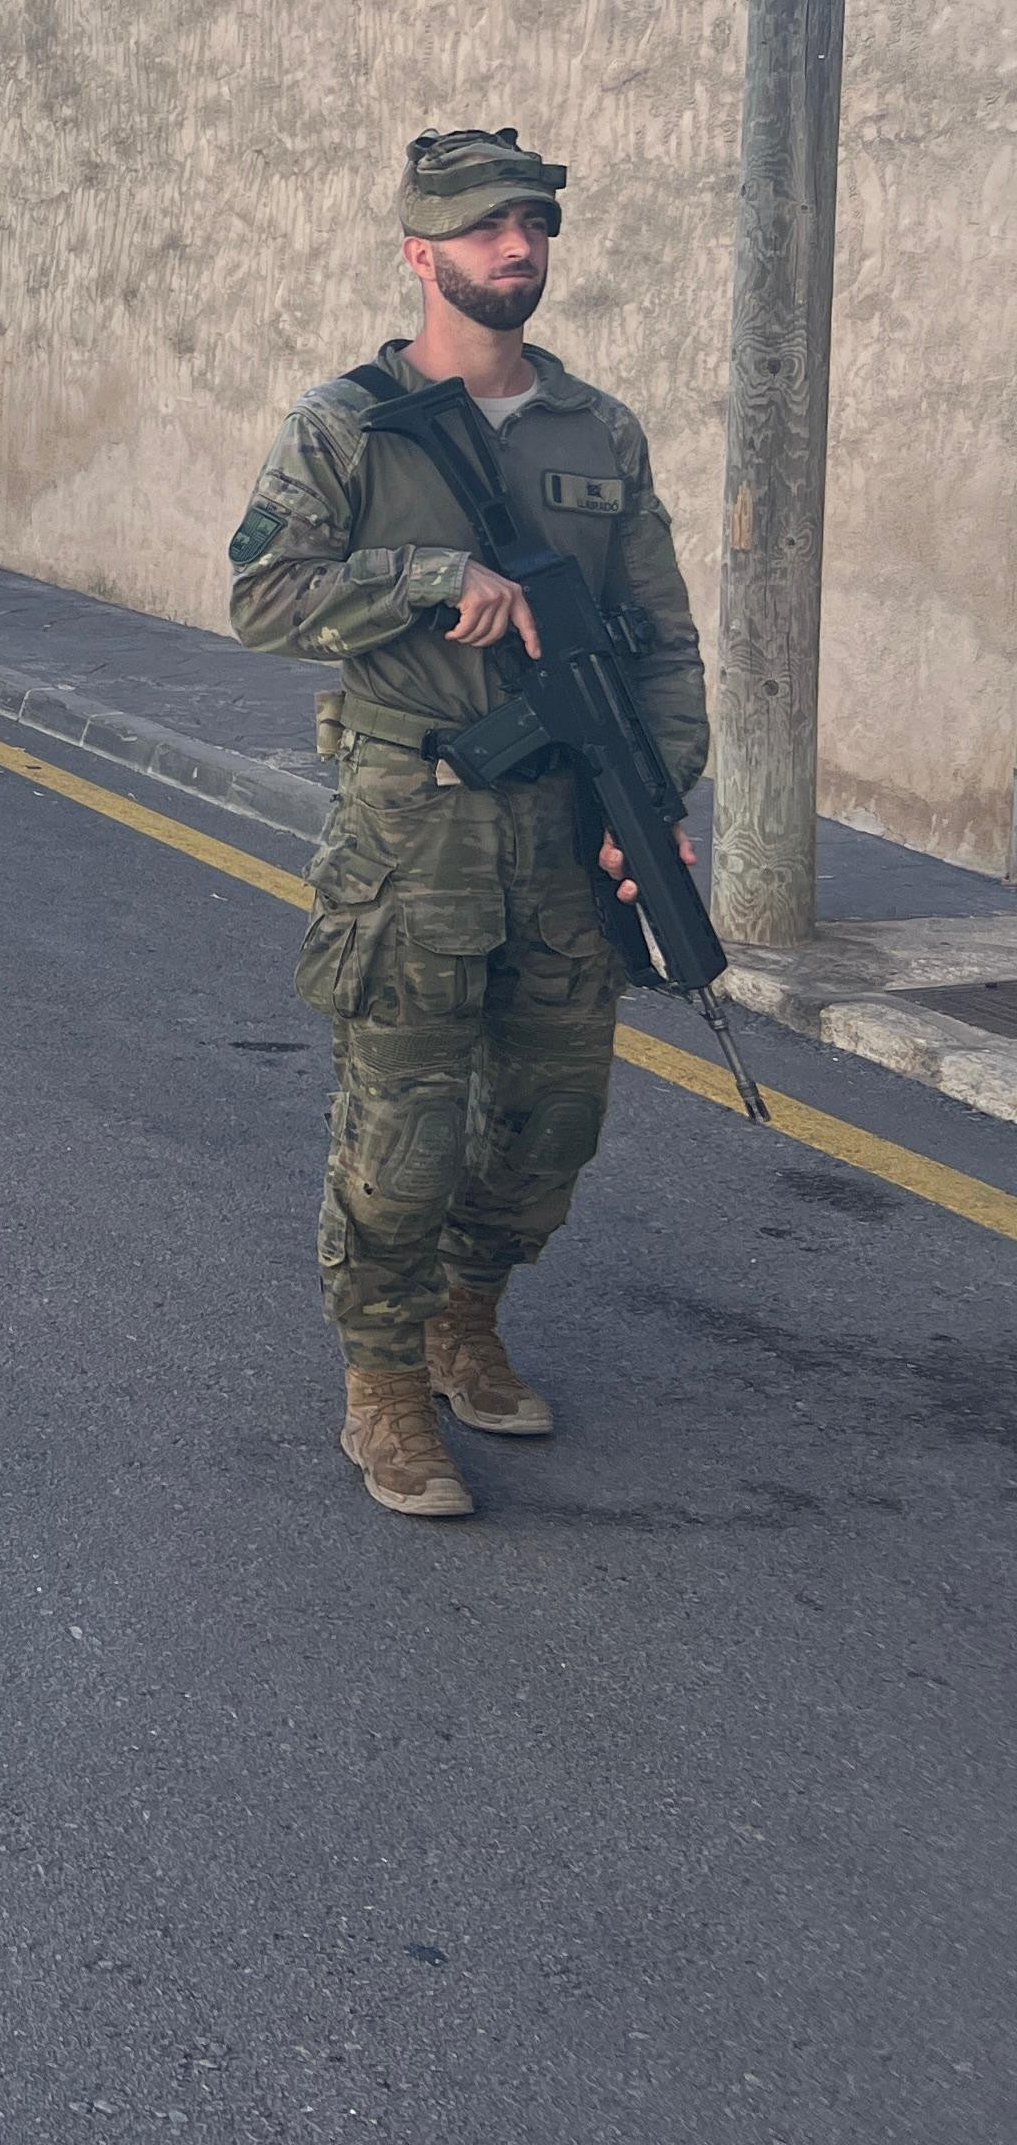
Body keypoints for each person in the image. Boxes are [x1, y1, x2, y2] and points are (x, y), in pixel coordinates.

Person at [229, 130, 709, 1520]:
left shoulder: (598, 432)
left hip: (569, 831)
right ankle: (382, 1384)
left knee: (554, 1118)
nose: (520, 248)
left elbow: (665, 642)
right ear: (419, 251)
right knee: (404, 1127)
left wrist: (653, 803)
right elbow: (260, 600)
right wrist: (430, 576)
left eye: (537, 225)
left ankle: (466, 1320)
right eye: (489, 227)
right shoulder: (347, 423)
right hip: (413, 827)